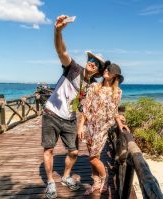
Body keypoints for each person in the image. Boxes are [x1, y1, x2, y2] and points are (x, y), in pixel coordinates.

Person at [41, 15, 105, 199]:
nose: (92, 62)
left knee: (74, 151)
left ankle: (66, 177)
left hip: (69, 118)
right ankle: (50, 182)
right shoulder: (73, 68)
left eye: (97, 63)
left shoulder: (91, 85)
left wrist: (83, 125)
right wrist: (58, 31)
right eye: (91, 59)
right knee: (49, 150)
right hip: (51, 113)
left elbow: (84, 107)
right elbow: (62, 51)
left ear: (98, 71)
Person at [77, 62, 128, 195]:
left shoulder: (117, 92)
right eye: (106, 68)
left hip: (103, 128)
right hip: (90, 127)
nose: (106, 70)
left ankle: (104, 178)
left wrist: (120, 124)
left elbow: (115, 111)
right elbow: (86, 108)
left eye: (109, 70)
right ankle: (96, 183)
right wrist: (81, 126)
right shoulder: (94, 86)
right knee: (94, 156)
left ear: (114, 76)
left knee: (93, 158)